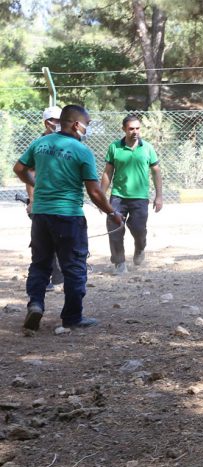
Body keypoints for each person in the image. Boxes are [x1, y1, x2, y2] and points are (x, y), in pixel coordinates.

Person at [13, 104, 123, 330]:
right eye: (87, 124)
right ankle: (72, 317)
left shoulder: (40, 143)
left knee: (40, 264)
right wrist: (112, 212)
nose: (88, 129)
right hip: (68, 216)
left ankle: (35, 304)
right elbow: (94, 191)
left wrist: (38, 184)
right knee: (74, 266)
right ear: (76, 124)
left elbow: (19, 169)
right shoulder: (82, 151)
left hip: (41, 215)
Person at [100, 115, 163, 274]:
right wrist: (101, 197)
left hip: (140, 198)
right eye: (131, 129)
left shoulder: (147, 148)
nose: (135, 132)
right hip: (118, 196)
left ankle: (140, 247)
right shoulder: (115, 147)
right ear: (124, 129)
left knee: (139, 229)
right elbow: (108, 173)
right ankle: (119, 262)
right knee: (115, 229)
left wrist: (159, 196)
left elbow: (156, 172)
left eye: (137, 128)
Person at [23, 106, 65, 290]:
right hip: (42, 201)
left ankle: (59, 278)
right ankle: (47, 279)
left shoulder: (66, 141)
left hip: (62, 200)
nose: (59, 123)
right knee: (42, 242)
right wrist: (32, 200)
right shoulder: (38, 144)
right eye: (56, 120)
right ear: (47, 122)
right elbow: (27, 172)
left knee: (62, 239)